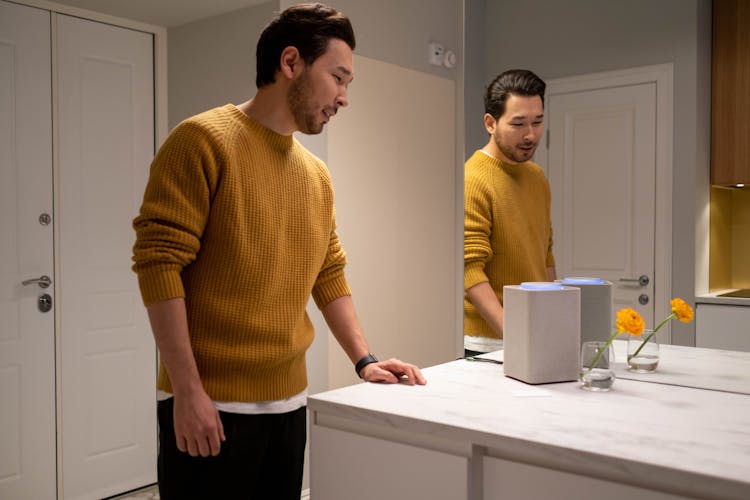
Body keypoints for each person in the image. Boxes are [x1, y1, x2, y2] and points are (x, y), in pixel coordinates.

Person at [131, 4, 425, 499]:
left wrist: (364, 360)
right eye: (338, 77)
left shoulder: (316, 175)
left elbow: (328, 273)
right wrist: (187, 391)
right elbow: (159, 264)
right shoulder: (201, 141)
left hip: (288, 405)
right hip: (210, 406)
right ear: (291, 63)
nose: (344, 98)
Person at [463, 69, 557, 357]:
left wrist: (555, 320)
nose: (530, 135)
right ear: (490, 123)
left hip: (537, 335)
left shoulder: (537, 177)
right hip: (488, 346)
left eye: (537, 122)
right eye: (518, 124)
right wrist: (515, 335)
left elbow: (545, 254)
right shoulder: (473, 179)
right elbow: (469, 269)